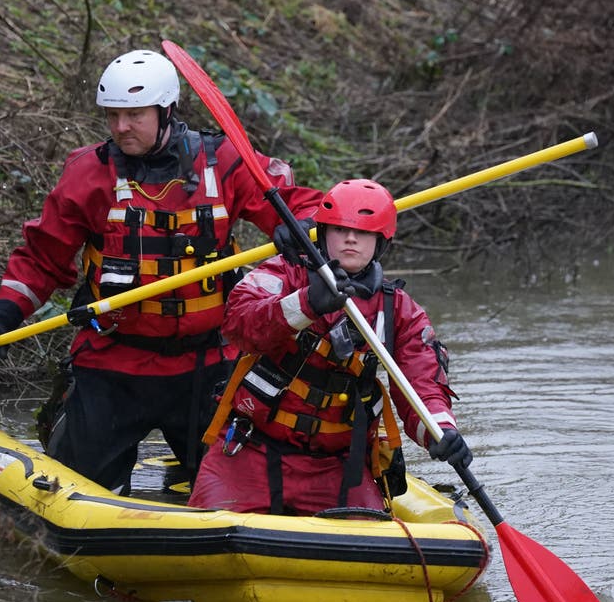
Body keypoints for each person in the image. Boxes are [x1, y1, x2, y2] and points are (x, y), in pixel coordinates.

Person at [0, 48, 321, 494]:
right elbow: (42, 257)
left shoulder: (224, 161)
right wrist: (1, 317)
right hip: (113, 362)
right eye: (112, 116)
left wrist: (301, 226)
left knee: (243, 489)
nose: (120, 128)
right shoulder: (88, 173)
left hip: (208, 364)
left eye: (133, 115)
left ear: (166, 110)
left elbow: (302, 204)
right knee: (81, 482)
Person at [188, 178, 474, 516]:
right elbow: (239, 324)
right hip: (250, 450)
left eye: (363, 232)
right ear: (323, 234)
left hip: (337, 466)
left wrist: (440, 432)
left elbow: (421, 385)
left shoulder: (399, 311)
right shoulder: (284, 275)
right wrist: (306, 303)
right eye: (340, 230)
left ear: (381, 242)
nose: (351, 238)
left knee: (371, 548)